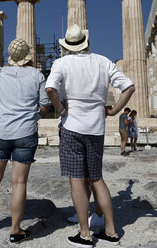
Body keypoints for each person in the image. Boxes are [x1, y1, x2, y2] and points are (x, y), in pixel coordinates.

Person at [45, 24, 135, 247]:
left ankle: (85, 234)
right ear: (86, 43)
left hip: (72, 127)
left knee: (77, 180)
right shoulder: (102, 61)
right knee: (96, 178)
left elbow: (50, 89)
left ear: (67, 45)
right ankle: (111, 231)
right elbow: (129, 87)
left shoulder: (61, 62)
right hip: (97, 127)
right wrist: (113, 111)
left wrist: (61, 109)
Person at [0, 39, 50, 244]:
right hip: (26, 133)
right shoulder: (37, 75)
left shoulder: (0, 73)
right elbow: (44, 105)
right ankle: (16, 230)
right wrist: (34, 113)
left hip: (2, 132)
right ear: (28, 56)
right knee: (19, 182)